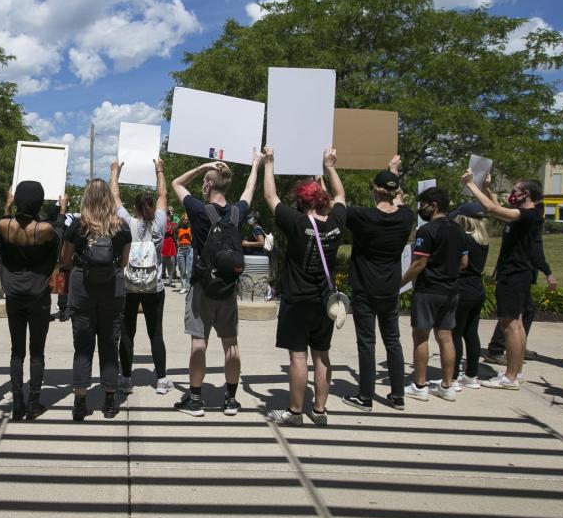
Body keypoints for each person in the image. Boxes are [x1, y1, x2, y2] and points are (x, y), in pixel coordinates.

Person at [170, 152, 263, 417]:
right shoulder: (237, 213)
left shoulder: (199, 211)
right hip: (227, 289)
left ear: (209, 185)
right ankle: (230, 400)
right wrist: (255, 164)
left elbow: (176, 183)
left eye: (205, 182)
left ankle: (196, 400)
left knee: (199, 343)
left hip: (202, 287)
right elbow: (249, 189)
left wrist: (203, 166)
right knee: (231, 343)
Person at [261, 146, 346, 426]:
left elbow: (270, 196)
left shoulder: (297, 223)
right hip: (325, 302)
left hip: (297, 301)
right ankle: (320, 411)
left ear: (300, 202)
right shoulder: (335, 223)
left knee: (298, 356)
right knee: (322, 355)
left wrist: (270, 162)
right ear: (323, 201)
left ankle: (296, 412)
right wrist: (330, 166)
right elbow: (341, 197)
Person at [342, 157, 414, 411]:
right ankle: (397, 395)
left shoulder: (363, 217)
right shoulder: (406, 217)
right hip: (390, 288)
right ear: (394, 192)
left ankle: (365, 397)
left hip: (364, 288)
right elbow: (401, 200)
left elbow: (337, 205)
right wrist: (394, 172)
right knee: (393, 340)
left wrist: (326, 171)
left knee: (367, 342)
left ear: (375, 190)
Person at [462, 170, 545, 389]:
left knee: (510, 325)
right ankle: (516, 373)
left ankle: (510, 376)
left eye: (515, 191)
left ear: (525, 194)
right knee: (516, 324)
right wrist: (487, 188)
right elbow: (499, 207)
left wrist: (471, 185)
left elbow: (491, 208)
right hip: (519, 274)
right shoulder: (523, 213)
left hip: (514, 275)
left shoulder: (528, 214)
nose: (512, 194)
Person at [59, 178, 132, 420]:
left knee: (83, 345)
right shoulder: (121, 226)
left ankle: (80, 400)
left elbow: (65, 261)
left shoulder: (78, 226)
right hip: (112, 288)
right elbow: (123, 262)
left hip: (82, 289)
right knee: (110, 343)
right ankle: (110, 400)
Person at [0, 182, 63, 420]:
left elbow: (0, 248)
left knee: (17, 351)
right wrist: (62, 212)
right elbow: (59, 239)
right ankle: (34, 401)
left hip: (13, 294)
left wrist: (7, 207)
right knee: (37, 351)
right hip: (38, 294)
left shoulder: (4, 226)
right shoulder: (44, 229)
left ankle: (17, 402)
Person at [111, 159, 174, 396]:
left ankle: (126, 379)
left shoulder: (128, 223)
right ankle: (161, 380)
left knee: (128, 332)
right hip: (153, 287)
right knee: (155, 333)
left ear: (135, 208)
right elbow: (163, 193)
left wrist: (115, 173)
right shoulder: (159, 224)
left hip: (129, 286)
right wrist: (159, 168)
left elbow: (114, 197)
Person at [400, 186, 466, 402]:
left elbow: (419, 263)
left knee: (421, 336)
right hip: (451, 289)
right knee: (445, 336)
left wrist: (400, 283)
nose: (421, 209)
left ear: (433, 205)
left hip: (428, 290)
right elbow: (464, 262)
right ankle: (447, 385)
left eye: (423, 205)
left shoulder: (426, 231)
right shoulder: (458, 230)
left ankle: (420, 385)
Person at [484, 231, 555, 363]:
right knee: (512, 314)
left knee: (526, 310)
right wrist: (547, 272)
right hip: (517, 274)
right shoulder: (530, 223)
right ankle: (496, 350)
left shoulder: (519, 223)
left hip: (518, 273)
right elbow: (536, 251)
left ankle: (517, 346)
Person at [451, 203, 490, 389]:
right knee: (471, 333)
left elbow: (460, 263)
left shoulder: (464, 239)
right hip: (477, 288)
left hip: (462, 288)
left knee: (455, 333)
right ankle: (471, 375)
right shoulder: (483, 240)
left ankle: (453, 375)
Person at [175, 214, 193, 292]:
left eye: (187, 219)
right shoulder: (179, 229)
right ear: (182, 220)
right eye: (184, 219)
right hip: (181, 250)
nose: (186, 220)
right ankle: (183, 287)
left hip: (189, 249)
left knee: (189, 270)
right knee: (182, 270)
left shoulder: (191, 229)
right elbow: (174, 231)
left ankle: (188, 286)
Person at [161, 212, 179, 287]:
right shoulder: (161, 225)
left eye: (168, 215)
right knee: (162, 264)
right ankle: (162, 279)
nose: (167, 217)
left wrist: (171, 222)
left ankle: (170, 280)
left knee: (171, 264)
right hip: (163, 245)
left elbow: (175, 229)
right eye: (166, 215)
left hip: (171, 245)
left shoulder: (173, 224)